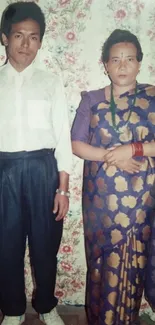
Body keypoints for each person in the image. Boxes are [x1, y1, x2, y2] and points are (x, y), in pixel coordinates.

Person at [71, 29, 155, 325]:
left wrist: (133, 148)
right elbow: (77, 144)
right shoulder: (91, 100)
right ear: (104, 64)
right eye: (115, 60)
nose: (122, 66)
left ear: (139, 63)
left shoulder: (153, 96)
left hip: (142, 201)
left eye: (129, 59)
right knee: (102, 264)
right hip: (101, 201)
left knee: (135, 263)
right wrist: (114, 156)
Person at [0, 2, 72, 325]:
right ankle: (13, 310)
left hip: (44, 172)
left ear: (41, 41)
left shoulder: (51, 83)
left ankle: (45, 306)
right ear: (4, 38)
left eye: (33, 37)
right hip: (4, 172)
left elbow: (63, 139)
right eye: (18, 36)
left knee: (45, 248)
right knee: (6, 248)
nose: (25, 45)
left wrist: (63, 189)